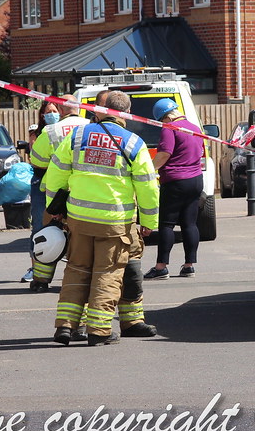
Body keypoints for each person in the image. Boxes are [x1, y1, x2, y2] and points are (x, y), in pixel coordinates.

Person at [43, 90, 159, 346]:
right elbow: (148, 187)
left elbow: (56, 174)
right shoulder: (133, 143)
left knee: (76, 271)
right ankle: (99, 330)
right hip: (114, 223)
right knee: (108, 275)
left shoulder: (76, 136)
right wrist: (149, 222)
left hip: (79, 219)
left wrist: (56, 208)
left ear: (99, 111)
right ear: (126, 114)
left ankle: (65, 327)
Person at [25, 94, 88, 291]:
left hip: (56, 193)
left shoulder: (51, 130)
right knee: (80, 237)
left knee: (50, 234)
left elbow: (36, 160)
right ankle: (78, 279)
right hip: (84, 191)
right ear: (79, 107)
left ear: (60, 110)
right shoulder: (92, 127)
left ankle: (41, 280)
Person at [143, 98, 204, 280]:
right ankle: (189, 266)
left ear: (165, 117)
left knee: (167, 224)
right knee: (189, 223)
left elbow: (163, 155)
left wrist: (148, 170)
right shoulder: (194, 127)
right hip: (196, 180)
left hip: (175, 181)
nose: (162, 124)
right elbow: (199, 150)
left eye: (161, 120)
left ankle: (161, 267)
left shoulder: (170, 129)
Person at [20, 102, 60, 283]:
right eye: (48, 112)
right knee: (39, 226)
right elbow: (36, 160)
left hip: (61, 185)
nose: (52, 114)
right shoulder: (39, 133)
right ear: (42, 115)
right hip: (41, 183)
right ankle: (35, 269)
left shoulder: (64, 131)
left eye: (55, 111)